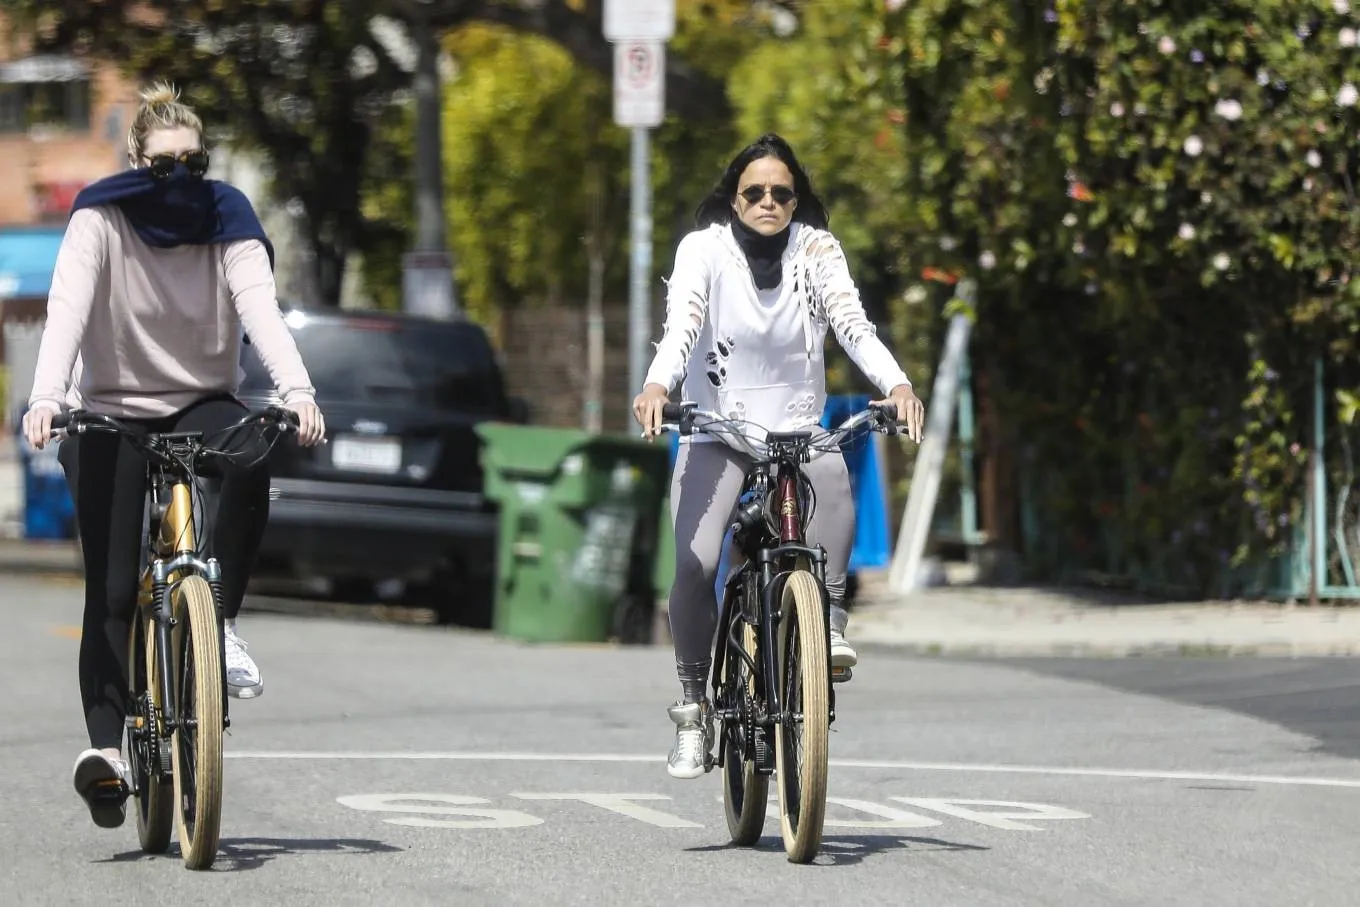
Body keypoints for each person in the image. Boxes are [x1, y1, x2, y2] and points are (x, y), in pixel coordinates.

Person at [21, 81, 326, 828]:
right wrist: (45, 396)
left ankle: (216, 627)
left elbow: (261, 307)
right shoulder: (101, 214)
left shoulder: (228, 217)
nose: (181, 178)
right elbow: (68, 308)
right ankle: (110, 752)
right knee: (115, 590)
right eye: (165, 164)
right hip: (114, 409)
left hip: (200, 397)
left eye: (195, 161)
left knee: (252, 452)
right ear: (135, 160)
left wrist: (298, 390)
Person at [632, 133, 925, 780]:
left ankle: (830, 622)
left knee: (834, 483)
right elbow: (682, 325)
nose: (768, 202)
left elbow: (853, 324)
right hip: (719, 428)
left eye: (781, 192)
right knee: (695, 561)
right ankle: (692, 705)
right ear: (732, 199)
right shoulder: (703, 250)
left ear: (798, 200)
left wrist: (897, 385)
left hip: (797, 429)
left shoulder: (816, 249)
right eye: (754, 192)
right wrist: (658, 385)